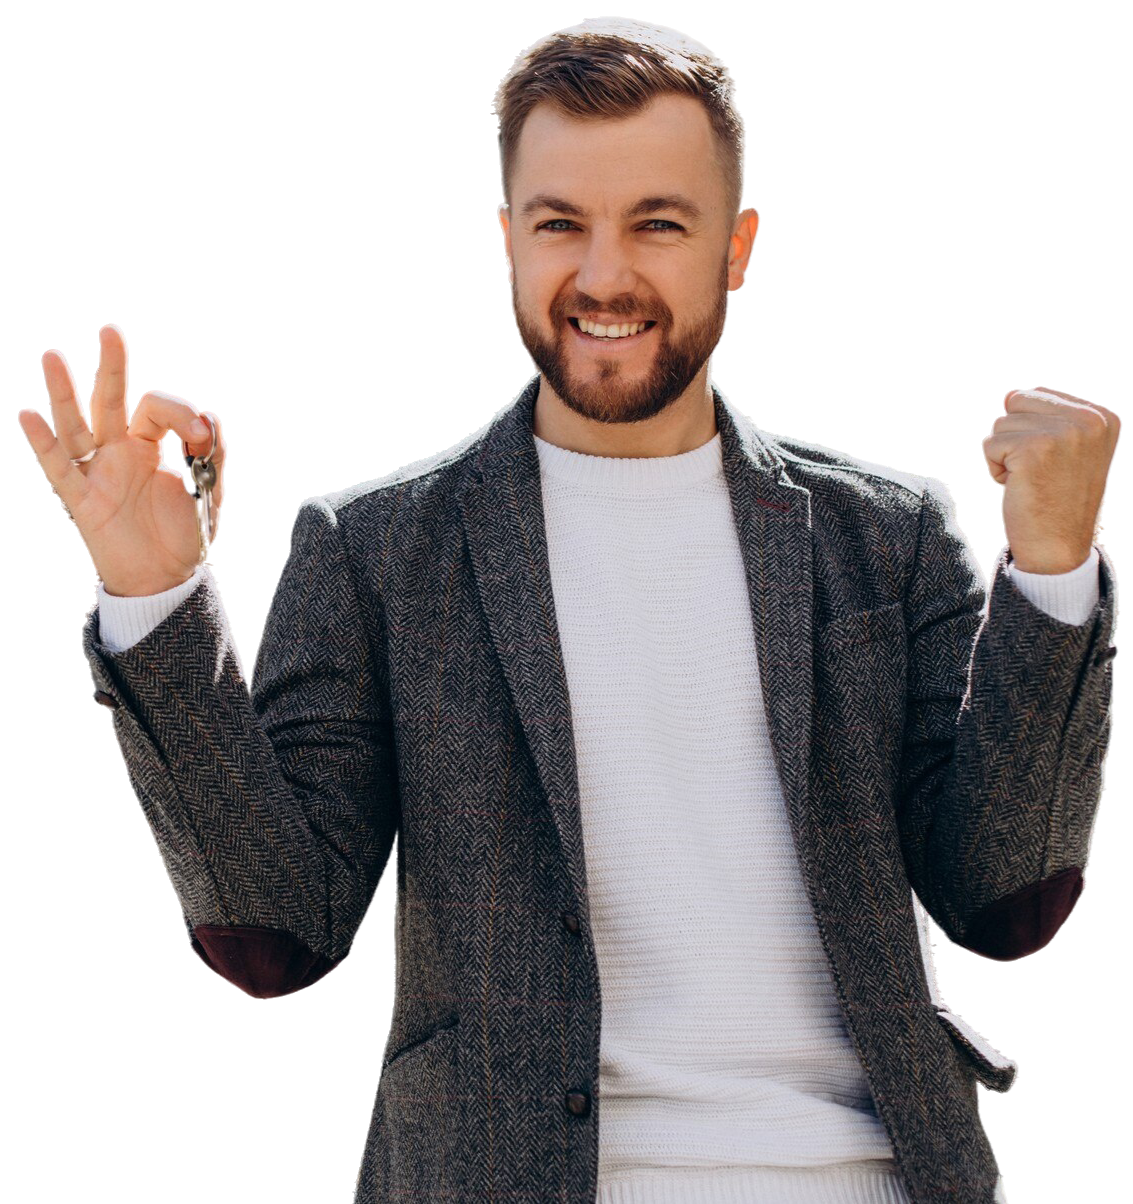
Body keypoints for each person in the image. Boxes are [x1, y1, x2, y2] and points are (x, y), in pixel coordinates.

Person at [17, 17, 1119, 1204]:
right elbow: (275, 931)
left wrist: (1051, 570)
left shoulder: (887, 534)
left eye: (657, 222)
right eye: (559, 225)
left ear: (736, 246)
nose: (602, 276)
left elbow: (1003, 898)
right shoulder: (375, 548)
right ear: (505, 241)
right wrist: (156, 595)